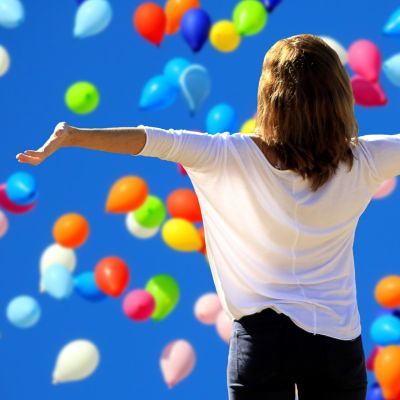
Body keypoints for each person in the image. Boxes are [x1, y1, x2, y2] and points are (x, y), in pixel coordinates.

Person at [15, 33, 399, 399]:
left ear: (270, 98)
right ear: (339, 95)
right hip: (335, 345)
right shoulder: (365, 160)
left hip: (262, 345)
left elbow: (153, 140)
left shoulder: (231, 155)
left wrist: (75, 135)